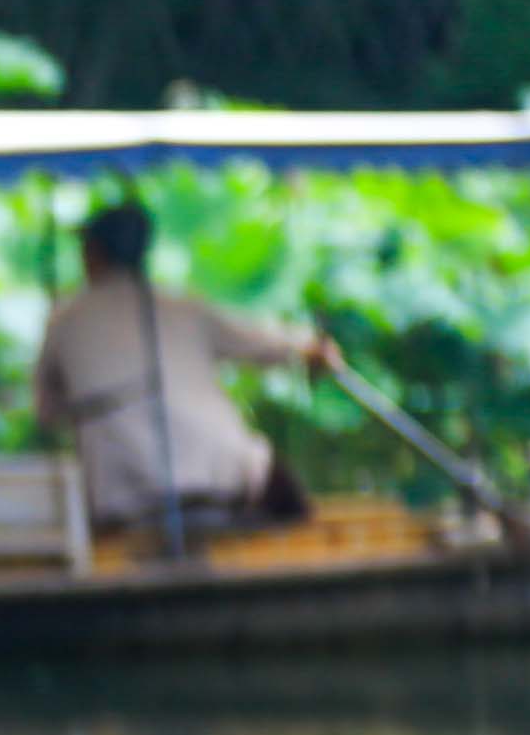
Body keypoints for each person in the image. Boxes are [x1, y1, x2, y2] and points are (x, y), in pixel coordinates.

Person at [33, 202, 339, 536]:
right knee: (284, 495)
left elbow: (47, 412)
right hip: (229, 476)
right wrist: (310, 349)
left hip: (123, 494)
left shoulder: (65, 320)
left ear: (94, 252)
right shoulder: (182, 307)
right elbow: (262, 342)